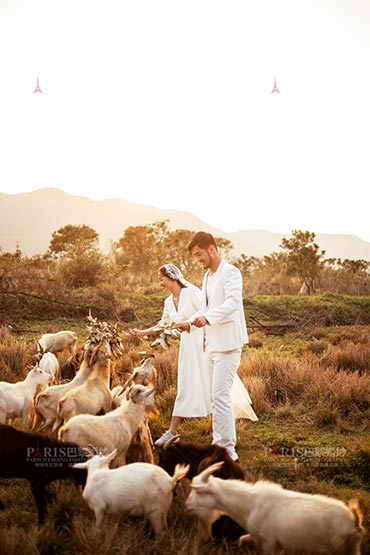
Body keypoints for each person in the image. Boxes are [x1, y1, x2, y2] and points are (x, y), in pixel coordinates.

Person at [176, 231, 256, 462]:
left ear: (211, 249)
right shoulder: (208, 277)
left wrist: (208, 319)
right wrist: (190, 323)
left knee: (220, 396)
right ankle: (217, 443)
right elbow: (207, 307)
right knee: (214, 397)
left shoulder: (231, 273)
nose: (198, 259)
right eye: (195, 256)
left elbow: (232, 303)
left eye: (199, 254)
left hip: (229, 344)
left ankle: (228, 449)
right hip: (210, 344)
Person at [129, 263, 212, 446]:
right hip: (188, 347)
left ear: (172, 276)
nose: (160, 284)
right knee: (185, 383)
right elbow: (162, 325)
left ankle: (215, 427)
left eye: (161, 279)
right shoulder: (168, 302)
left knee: (209, 381)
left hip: (202, 341)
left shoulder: (191, 292)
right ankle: (172, 431)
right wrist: (141, 333)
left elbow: (206, 310)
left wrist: (190, 323)